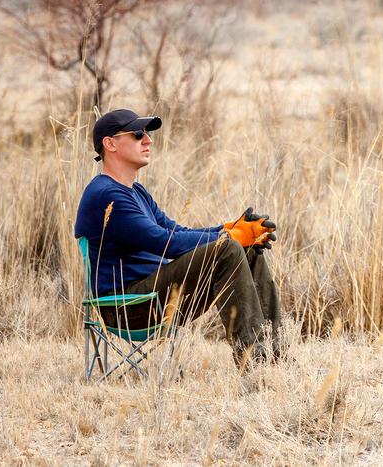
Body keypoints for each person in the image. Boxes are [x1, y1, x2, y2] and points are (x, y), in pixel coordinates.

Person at [74, 109, 281, 363]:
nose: (148, 140)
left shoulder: (135, 191)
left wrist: (228, 230)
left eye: (147, 133)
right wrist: (230, 237)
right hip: (128, 307)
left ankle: (275, 356)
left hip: (152, 297)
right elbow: (165, 243)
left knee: (246, 249)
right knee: (228, 248)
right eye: (138, 134)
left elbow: (175, 232)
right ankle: (254, 359)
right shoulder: (107, 195)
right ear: (110, 144)